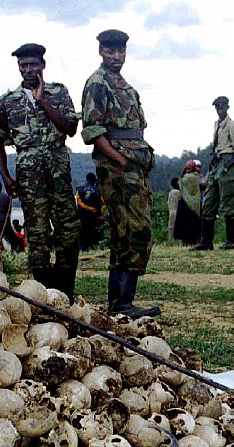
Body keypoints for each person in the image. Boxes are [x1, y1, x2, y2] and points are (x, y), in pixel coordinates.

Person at [0, 42, 81, 302]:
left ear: (43, 65)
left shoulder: (59, 92)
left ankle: (65, 295)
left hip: (59, 174)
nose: (28, 70)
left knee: (68, 232)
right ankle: (43, 297)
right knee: (37, 236)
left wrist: (43, 102)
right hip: (30, 179)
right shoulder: (7, 102)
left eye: (33, 64)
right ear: (18, 68)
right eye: (23, 65)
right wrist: (6, 177)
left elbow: (70, 128)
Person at [81, 29, 159, 317]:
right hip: (118, 168)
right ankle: (122, 303)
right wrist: (120, 161)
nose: (116, 57)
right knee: (132, 229)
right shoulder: (98, 83)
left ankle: (122, 302)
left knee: (129, 230)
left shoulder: (123, 84)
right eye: (110, 51)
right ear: (101, 51)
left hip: (134, 165)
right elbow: (92, 131)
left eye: (120, 52)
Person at [195, 96, 234, 250]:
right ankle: (206, 241)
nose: (219, 109)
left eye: (221, 106)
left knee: (228, 201)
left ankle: (231, 240)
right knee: (208, 201)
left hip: (226, 161)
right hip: (216, 163)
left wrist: (227, 166)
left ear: (227, 107)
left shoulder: (232, 125)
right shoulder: (217, 124)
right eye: (217, 107)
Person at [174, 160, 202, 246]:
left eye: (189, 169)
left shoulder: (193, 177)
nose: (187, 171)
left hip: (191, 204)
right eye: (186, 169)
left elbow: (176, 182)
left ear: (193, 169)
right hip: (185, 202)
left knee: (191, 226)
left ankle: (194, 243)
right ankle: (186, 244)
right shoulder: (189, 177)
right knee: (185, 226)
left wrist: (182, 176)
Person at [76, 172, 104, 250]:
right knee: (93, 230)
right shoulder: (97, 190)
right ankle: (93, 246)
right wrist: (92, 209)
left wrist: (86, 207)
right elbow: (102, 202)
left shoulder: (80, 188)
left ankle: (83, 247)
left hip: (81, 214)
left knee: (83, 231)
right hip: (93, 214)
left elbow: (78, 202)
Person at [167, 178, 180, 242]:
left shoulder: (170, 192)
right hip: (177, 212)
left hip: (171, 211)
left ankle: (171, 241)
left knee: (171, 227)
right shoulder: (177, 192)